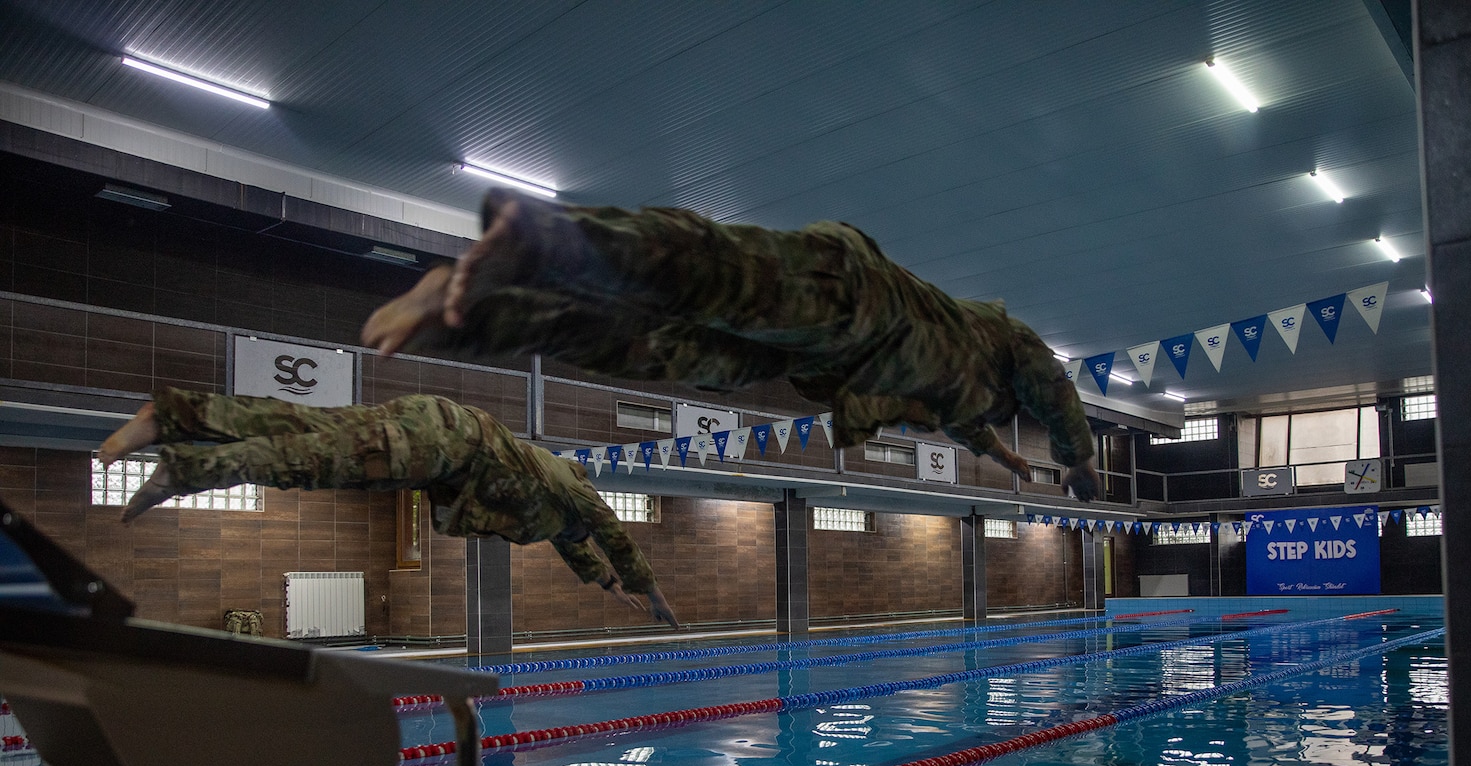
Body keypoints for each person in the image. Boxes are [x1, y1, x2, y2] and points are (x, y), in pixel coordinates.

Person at [362, 189, 1103, 501]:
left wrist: (1010, 464)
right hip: (862, 302)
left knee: (663, 350)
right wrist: (1079, 460)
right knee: (716, 277)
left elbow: (966, 427)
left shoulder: (967, 398)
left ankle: (473, 320)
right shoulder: (1007, 340)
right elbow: (1060, 394)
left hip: (820, 362)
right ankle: (550, 242)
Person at [98, 388, 679, 628]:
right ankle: (190, 469)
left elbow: (581, 546)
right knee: (324, 460)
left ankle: (174, 415)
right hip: (454, 443)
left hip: (444, 437)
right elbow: (608, 529)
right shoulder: (570, 484)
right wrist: (649, 589)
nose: (577, 537)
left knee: (311, 426)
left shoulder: (558, 519)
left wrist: (612, 586)